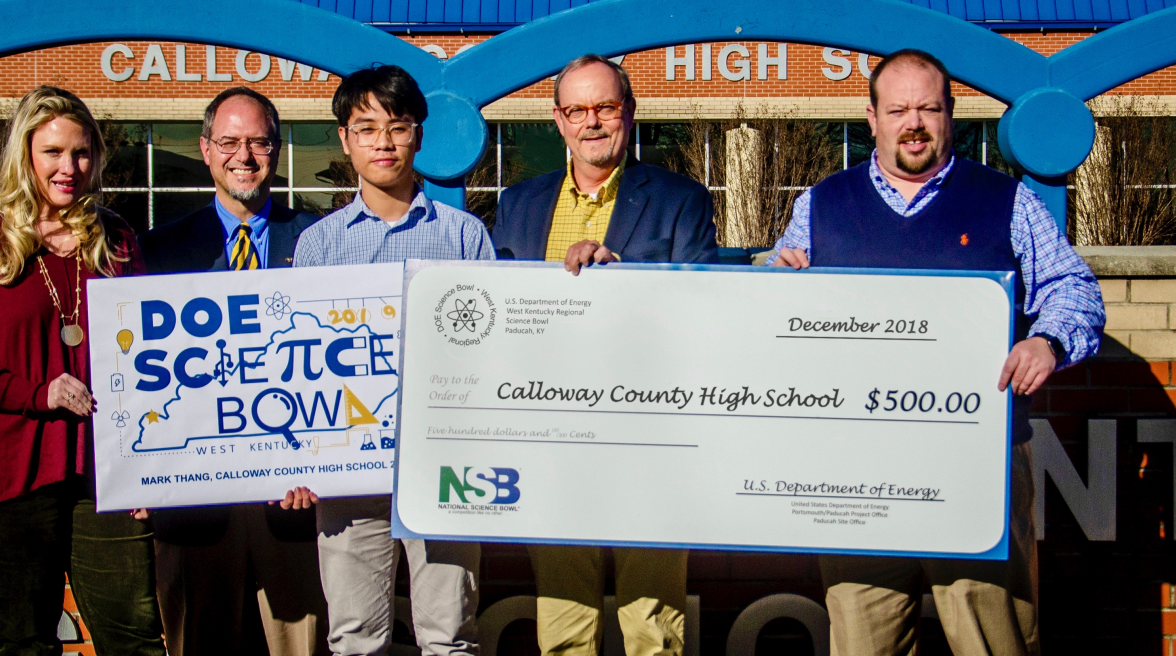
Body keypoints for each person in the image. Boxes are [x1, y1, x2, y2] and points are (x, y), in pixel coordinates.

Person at [768, 49, 1105, 656]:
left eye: (928, 108)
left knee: (992, 639)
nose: (913, 122)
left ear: (951, 114)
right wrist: (773, 283)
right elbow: (771, 312)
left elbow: (1073, 290)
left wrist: (1047, 340)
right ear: (871, 118)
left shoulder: (1007, 201)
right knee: (861, 641)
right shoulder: (820, 205)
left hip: (978, 460)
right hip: (854, 469)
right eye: (898, 109)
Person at [0, 86, 162, 656]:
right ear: (25, 156)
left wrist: (155, 465)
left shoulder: (116, 239)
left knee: (134, 637)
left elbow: (154, 351)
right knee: (26, 639)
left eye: (80, 153)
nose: (68, 168)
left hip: (104, 468)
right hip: (6, 466)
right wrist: (34, 393)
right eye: (52, 152)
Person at [493, 54, 718, 656]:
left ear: (630, 112)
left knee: (653, 629)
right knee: (563, 631)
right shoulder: (518, 204)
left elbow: (701, 309)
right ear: (558, 121)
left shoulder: (681, 199)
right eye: (577, 110)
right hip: (551, 435)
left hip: (649, 436)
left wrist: (626, 285)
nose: (591, 122)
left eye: (605, 107)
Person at [280, 64, 494, 656]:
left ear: (419, 136)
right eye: (366, 127)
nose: (383, 142)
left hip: (444, 468)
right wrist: (300, 457)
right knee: (354, 640)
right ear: (345, 138)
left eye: (397, 127)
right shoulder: (320, 244)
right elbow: (302, 364)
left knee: (450, 638)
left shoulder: (465, 236)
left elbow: (490, 352)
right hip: (347, 475)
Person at [138, 86, 326, 656]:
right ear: (204, 149)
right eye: (229, 141)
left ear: (277, 149)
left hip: (295, 497)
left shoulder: (320, 240)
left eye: (259, 142)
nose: (244, 155)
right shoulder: (158, 250)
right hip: (193, 502)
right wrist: (134, 466)